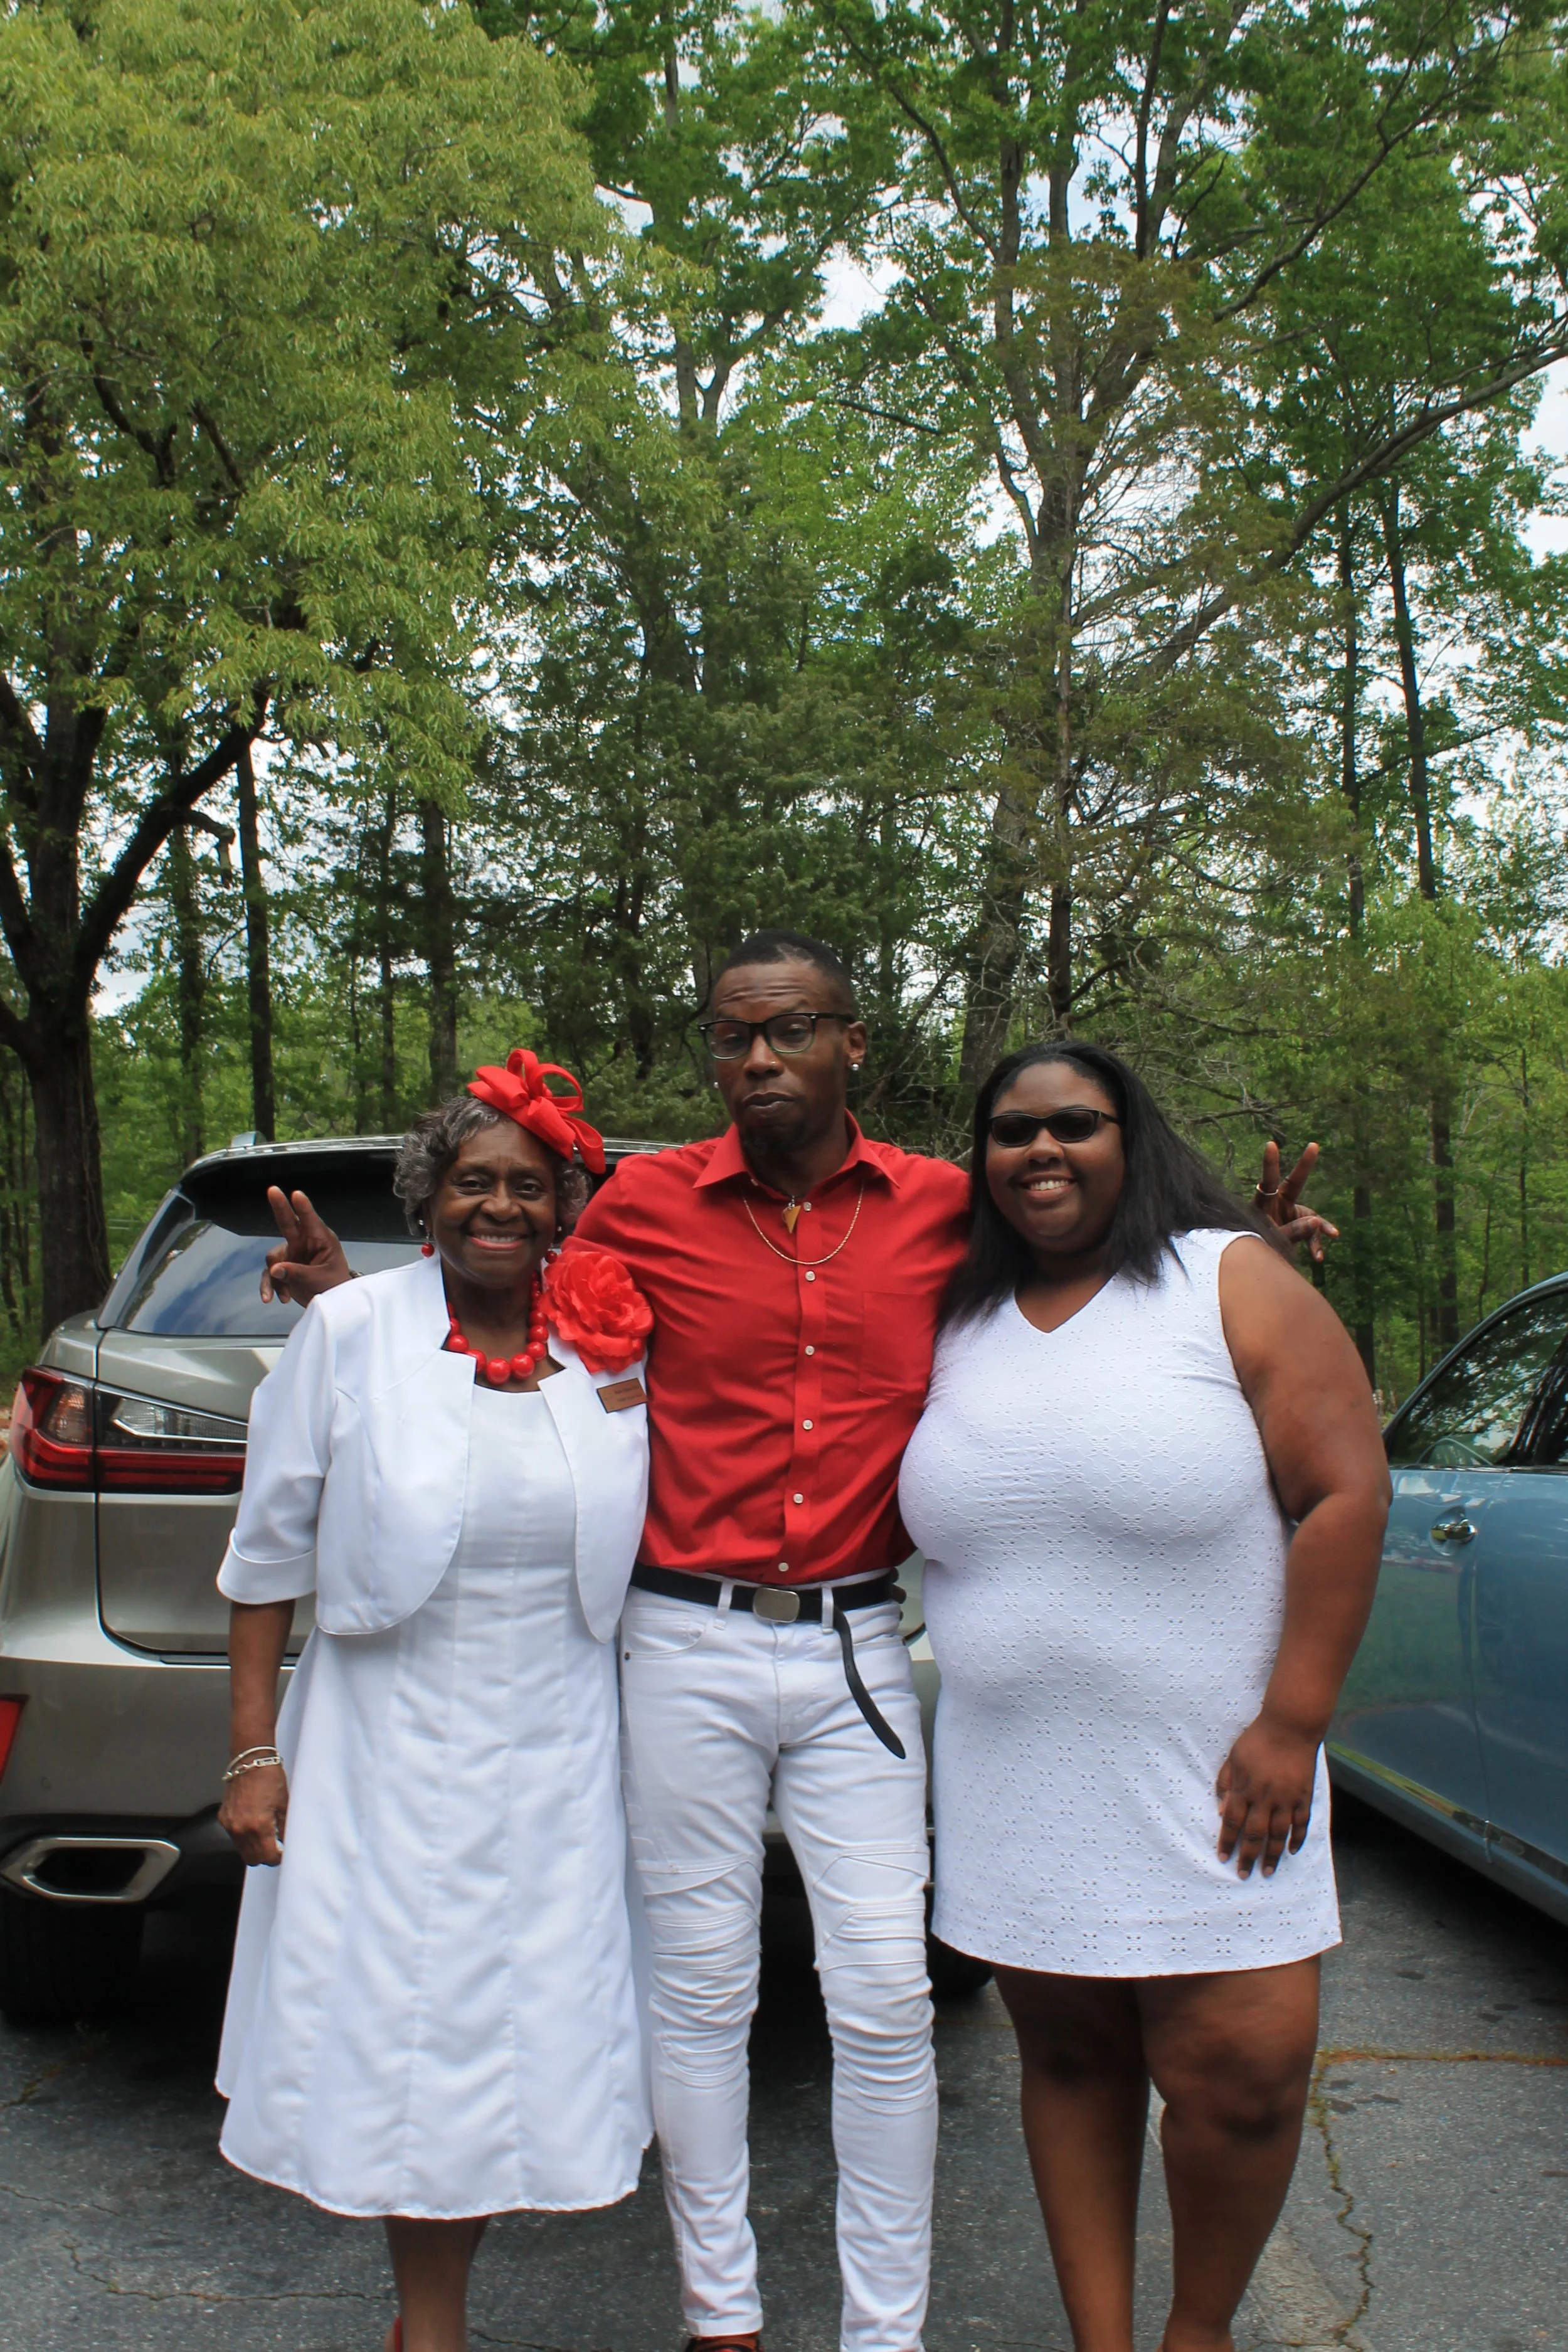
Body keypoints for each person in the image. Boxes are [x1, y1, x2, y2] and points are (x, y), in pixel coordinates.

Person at [260, 934, 1333, 2352]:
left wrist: (1242, 1251)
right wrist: (352, 1293)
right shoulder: (639, 1201)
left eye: (788, 1032)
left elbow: (1103, 1250)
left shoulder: (950, 1209)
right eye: (729, 1038)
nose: (756, 1060)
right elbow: (492, 1267)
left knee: (883, 1995)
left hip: (856, 1656)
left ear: (851, 1044)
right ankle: (725, 2318)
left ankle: (880, 2333)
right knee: (699, 1992)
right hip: (680, 1642)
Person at [897, 1042, 1391, 2352]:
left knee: (1236, 2080)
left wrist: (1292, 1722)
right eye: (1010, 1131)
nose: (1040, 1150)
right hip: (1015, 1775)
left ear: (1131, 1138)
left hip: (1217, 1770)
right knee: (1065, 2060)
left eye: (1074, 1123)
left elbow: (1345, 1494)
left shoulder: (1224, 1279)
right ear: (980, 1158)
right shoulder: (953, 1316)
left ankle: (1197, 2334)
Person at [216, 1052, 655, 2352]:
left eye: (527, 1184)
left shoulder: (607, 1345)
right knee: (406, 2032)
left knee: (512, 2033)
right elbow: (263, 1557)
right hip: (384, 1738)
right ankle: (432, 2328)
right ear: (430, 1197)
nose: (500, 1207)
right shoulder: (350, 1333)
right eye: (474, 1182)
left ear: (562, 1203)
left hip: (561, 1743)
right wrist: (251, 1748)